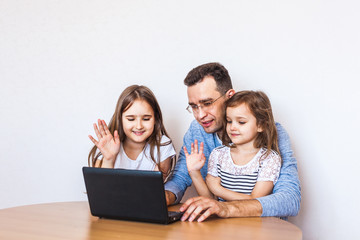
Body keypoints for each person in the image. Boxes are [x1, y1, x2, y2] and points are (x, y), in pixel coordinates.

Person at [164, 62, 301, 222]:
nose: (200, 115)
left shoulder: (272, 133)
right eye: (194, 107)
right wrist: (163, 197)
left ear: (229, 96)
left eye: (207, 103)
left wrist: (225, 207)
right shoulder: (197, 131)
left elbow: (290, 199)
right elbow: (181, 177)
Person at [184, 90, 281, 202]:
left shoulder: (269, 158)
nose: (232, 127)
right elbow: (210, 200)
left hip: (253, 220)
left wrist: (218, 189)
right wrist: (194, 172)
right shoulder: (218, 154)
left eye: (241, 122)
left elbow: (256, 202)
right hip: (222, 219)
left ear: (261, 125)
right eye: (229, 121)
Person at [88, 85, 176, 181]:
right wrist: (109, 160)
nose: (139, 126)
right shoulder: (107, 145)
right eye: (131, 119)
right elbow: (100, 191)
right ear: (120, 119)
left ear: (156, 118)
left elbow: (152, 189)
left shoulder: (162, 146)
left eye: (146, 119)